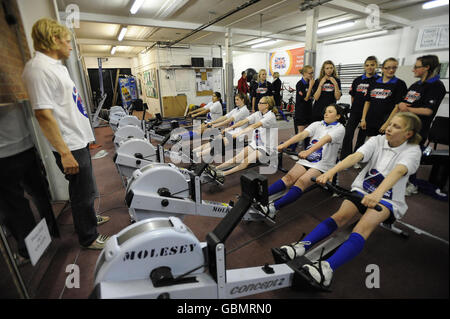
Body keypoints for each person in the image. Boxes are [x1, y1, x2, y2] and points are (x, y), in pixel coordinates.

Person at [277, 112, 422, 288]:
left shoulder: (412, 151)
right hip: (361, 190)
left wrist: (377, 194)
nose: (389, 128)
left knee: (361, 228)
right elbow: (355, 157)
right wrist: (330, 172)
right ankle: (301, 246)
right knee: (339, 217)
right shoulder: (377, 140)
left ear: (408, 134)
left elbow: (398, 171)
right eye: (390, 124)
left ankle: (327, 269)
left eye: (396, 126)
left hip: (387, 199)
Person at [22, 18, 110, 250]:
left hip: (77, 140)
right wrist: (64, 153)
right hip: (68, 145)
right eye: (67, 41)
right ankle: (89, 236)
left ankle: (88, 218)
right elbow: (43, 115)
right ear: (53, 39)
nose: (70, 46)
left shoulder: (55, 67)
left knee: (87, 190)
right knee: (81, 193)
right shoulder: (38, 69)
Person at [254, 104, 346, 220]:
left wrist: (308, 152)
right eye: (325, 111)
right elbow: (302, 134)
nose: (326, 114)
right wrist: (284, 145)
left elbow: (324, 140)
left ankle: (273, 208)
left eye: (330, 112)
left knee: (301, 182)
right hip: (308, 160)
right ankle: (261, 196)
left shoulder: (340, 128)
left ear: (338, 116)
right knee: (288, 178)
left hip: (323, 164)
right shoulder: (318, 124)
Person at [0, 103, 59, 265]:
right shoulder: (14, 80)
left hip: (3, 152)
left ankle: (28, 251)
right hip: (26, 144)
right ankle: (51, 232)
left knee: (14, 204)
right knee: (39, 192)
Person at [381, 55, 446, 195]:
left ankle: (412, 184)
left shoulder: (436, 86)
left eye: (416, 67)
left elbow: (428, 111)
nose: (413, 70)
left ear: (426, 67)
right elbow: (403, 103)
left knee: (411, 157)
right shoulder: (415, 85)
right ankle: (395, 180)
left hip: (418, 129)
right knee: (398, 155)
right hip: (403, 127)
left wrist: (407, 109)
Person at [206, 96, 278, 182]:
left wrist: (239, 133)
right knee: (237, 158)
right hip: (256, 143)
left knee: (245, 161)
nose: (258, 104)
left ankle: (223, 174)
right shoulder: (258, 114)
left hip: (266, 147)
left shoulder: (270, 116)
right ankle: (216, 168)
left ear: (266, 105)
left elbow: (254, 125)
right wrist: (230, 128)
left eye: (260, 103)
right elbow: (243, 121)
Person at [341, 56, 380, 165]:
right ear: (364, 66)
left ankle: (356, 159)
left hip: (369, 113)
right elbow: (352, 96)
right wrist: (354, 108)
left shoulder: (379, 81)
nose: (370, 67)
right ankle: (345, 157)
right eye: (367, 65)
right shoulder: (357, 80)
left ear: (376, 66)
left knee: (361, 137)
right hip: (355, 111)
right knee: (348, 133)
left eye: (372, 65)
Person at [360, 57, 407, 139]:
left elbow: (397, 106)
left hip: (385, 121)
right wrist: (363, 119)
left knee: (383, 145)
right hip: (371, 119)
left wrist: (388, 123)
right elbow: (367, 102)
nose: (391, 70)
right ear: (382, 68)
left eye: (394, 68)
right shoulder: (374, 83)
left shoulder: (400, 84)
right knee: (370, 143)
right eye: (387, 68)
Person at [193, 92, 249, 160]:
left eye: (237, 99)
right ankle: (195, 150)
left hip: (238, 135)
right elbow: (224, 117)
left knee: (219, 142)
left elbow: (230, 119)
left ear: (243, 100)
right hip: (232, 131)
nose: (235, 101)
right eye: (235, 99)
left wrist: (215, 125)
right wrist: (212, 123)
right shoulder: (236, 109)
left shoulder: (244, 110)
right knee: (215, 140)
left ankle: (198, 154)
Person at [290, 65, 315, 157]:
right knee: (300, 134)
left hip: (309, 111)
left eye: (312, 72)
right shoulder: (299, 84)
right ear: (304, 73)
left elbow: (313, 97)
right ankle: (292, 150)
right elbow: (306, 98)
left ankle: (306, 151)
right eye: (310, 73)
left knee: (308, 133)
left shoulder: (311, 82)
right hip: (301, 111)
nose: (312, 75)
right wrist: (311, 85)